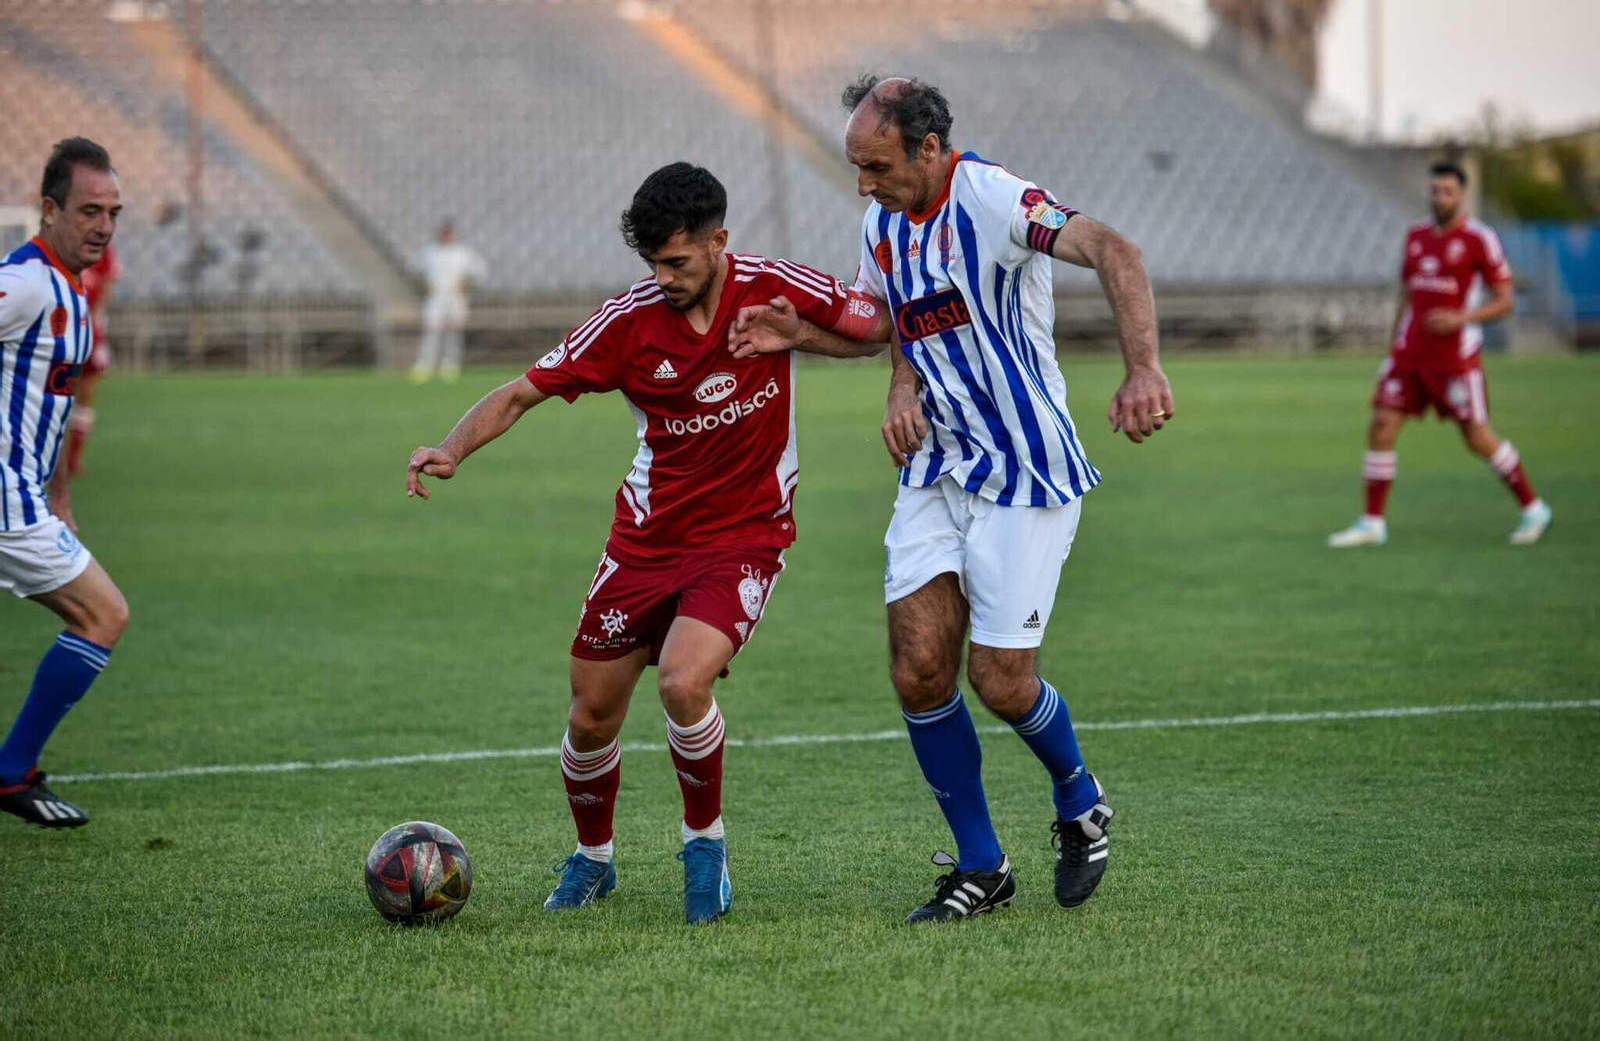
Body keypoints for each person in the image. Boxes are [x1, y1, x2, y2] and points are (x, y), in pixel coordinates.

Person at [729, 76, 1173, 923]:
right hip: (937, 466)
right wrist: (809, 338)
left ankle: (1081, 800)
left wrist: (1143, 368)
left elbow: (1116, 250)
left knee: (1000, 680)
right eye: (857, 167)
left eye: (877, 166)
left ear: (929, 148)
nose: (864, 184)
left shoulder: (994, 199)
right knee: (918, 667)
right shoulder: (883, 222)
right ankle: (981, 864)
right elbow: (889, 323)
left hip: (1024, 469)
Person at [404, 163, 884, 923]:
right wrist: (452, 448)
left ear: (719, 242)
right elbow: (523, 391)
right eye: (653, 262)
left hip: (745, 536)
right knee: (590, 715)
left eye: (677, 261)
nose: (663, 277)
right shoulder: (627, 322)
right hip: (645, 544)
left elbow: (876, 326)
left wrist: (800, 335)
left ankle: (705, 849)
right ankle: (593, 860)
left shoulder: (774, 286)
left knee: (683, 683)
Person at [0, 137, 132, 828]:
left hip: (27, 498)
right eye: (88, 211)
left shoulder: (72, 290)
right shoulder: (25, 283)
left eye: (113, 213)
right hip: (4, 502)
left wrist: (61, 496)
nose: (104, 226)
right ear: (48, 210)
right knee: (103, 614)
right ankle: (11, 773)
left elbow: (52, 402)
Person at [1328, 163, 1551, 548]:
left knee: (1476, 436)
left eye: (1448, 191)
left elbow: (1505, 301)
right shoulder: (1415, 236)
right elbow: (1407, 293)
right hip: (1409, 354)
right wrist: (1393, 343)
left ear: (1462, 195)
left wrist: (1461, 318)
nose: (1440, 198)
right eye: (1435, 191)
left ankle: (1533, 507)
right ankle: (1372, 522)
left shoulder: (1480, 238)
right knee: (1382, 424)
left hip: (1454, 358)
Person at [64, 238, 119, 477]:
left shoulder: (101, 244)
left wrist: (96, 317)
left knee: (86, 390)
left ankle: (73, 458)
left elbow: (108, 281)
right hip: (60, 328)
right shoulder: (59, 241)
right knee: (56, 394)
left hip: (90, 330)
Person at [410, 220, 487, 384]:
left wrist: (465, 285)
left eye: (449, 233)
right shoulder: (430, 252)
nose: (447, 236)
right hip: (435, 297)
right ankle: (425, 366)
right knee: (431, 330)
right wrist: (424, 285)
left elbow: (480, 271)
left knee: (454, 332)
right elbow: (413, 268)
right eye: (445, 233)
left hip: (455, 298)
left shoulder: (462, 253)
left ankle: (450, 366)